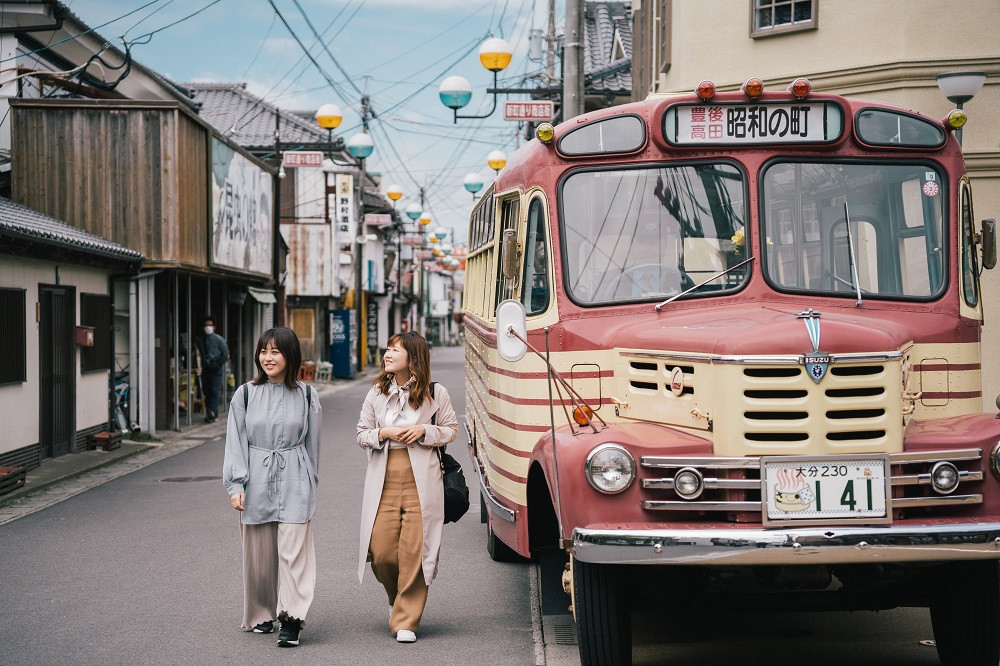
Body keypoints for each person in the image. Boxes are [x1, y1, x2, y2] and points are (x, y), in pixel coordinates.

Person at [356, 331, 458, 644]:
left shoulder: (435, 392)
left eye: (395, 350)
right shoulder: (377, 391)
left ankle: (406, 621)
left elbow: (451, 430)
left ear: (412, 358)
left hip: (422, 480)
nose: (387, 354)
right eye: (388, 349)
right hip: (384, 479)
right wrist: (383, 433)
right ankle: (398, 598)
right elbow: (361, 434)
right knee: (382, 552)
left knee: (415, 551)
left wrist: (424, 430)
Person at [223, 327, 321, 648]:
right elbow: (235, 442)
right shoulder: (245, 394)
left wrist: (310, 483)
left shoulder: (307, 395)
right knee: (259, 555)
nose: (267, 358)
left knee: (294, 553)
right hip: (256, 477)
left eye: (275, 352)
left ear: (290, 355)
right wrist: (236, 484)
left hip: (295, 476)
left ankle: (291, 618)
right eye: (263, 351)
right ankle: (262, 612)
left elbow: (312, 446)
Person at [196, 316, 230, 423]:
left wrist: (217, 364)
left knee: (215, 391)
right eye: (206, 325)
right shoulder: (200, 340)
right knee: (206, 391)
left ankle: (213, 413)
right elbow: (199, 353)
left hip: (216, 369)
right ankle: (209, 412)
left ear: (214, 327)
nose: (208, 327)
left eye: (210, 325)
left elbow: (225, 354)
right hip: (206, 369)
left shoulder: (219, 340)